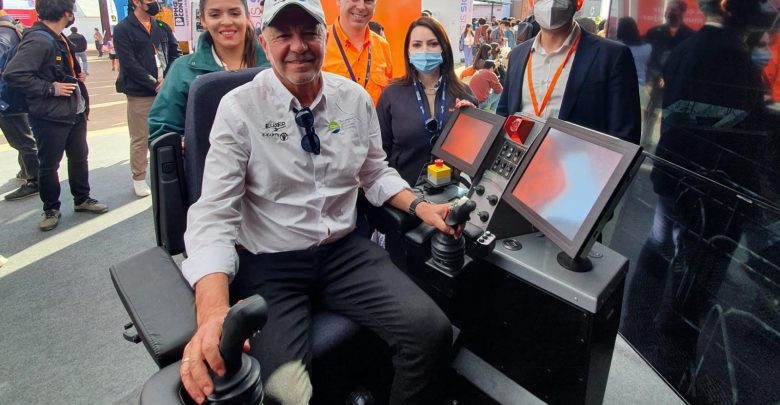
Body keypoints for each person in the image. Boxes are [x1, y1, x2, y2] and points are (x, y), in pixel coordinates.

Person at [178, 1, 454, 405]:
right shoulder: (239, 109)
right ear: (265, 43)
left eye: (308, 33)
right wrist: (212, 312)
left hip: (343, 252)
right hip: (271, 263)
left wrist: (420, 206)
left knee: (432, 333)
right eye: (283, 35)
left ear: (325, 36)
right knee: (284, 394)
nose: (298, 46)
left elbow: (375, 172)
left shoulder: (353, 99)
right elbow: (214, 214)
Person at [4, 0, 108, 231]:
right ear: (65, 12)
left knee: (79, 157)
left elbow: (56, 69)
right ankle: (51, 208)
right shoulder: (39, 40)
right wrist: (51, 88)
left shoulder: (57, 36)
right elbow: (14, 74)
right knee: (49, 164)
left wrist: (75, 75)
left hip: (73, 111)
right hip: (50, 115)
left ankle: (82, 198)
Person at [497, 0, 640, 144]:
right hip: (518, 155)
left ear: (579, 3)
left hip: (577, 156)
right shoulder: (518, 54)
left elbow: (625, 137)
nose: (551, 2)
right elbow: (504, 114)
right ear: (531, 3)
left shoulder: (612, 56)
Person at [148, 0, 270, 142]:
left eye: (235, 13)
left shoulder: (275, 65)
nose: (226, 22)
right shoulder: (182, 70)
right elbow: (162, 129)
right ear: (203, 20)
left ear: (247, 17)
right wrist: (181, 144)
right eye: (215, 15)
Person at [377, 16, 476, 185]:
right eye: (417, 45)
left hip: (451, 192)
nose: (424, 51)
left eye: (433, 44)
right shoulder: (391, 94)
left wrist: (473, 123)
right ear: (408, 51)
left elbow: (476, 154)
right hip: (402, 191)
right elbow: (379, 154)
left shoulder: (463, 93)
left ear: (443, 48)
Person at [113, 0, 180, 197]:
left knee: (167, 133)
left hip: (165, 90)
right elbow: (128, 63)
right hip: (140, 92)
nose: (155, 2)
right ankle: (139, 177)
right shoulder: (123, 29)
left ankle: (167, 171)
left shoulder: (162, 26)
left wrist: (168, 79)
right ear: (136, 2)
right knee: (140, 137)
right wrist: (153, 83)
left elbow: (175, 53)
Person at [0, 2, 39, 201]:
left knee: (23, 139)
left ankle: (35, 180)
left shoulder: (4, 32)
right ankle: (27, 171)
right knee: (22, 136)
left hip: (8, 97)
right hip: (12, 95)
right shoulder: (10, 27)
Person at [643, 0, 695, 141]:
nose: (669, 12)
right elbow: (649, 58)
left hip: (677, 81)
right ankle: (645, 140)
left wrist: (670, 77)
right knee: (651, 111)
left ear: (682, 13)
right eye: (668, 9)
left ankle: (668, 141)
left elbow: (688, 62)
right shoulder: (654, 32)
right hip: (655, 79)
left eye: (674, 9)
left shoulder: (690, 36)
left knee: (673, 114)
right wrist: (654, 77)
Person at [324, 0, 392, 105]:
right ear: (338, 1)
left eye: (368, 1)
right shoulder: (320, 42)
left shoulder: (383, 46)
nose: (361, 7)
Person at [616, 16, 652, 140]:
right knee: (639, 123)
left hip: (621, 88)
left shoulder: (616, 47)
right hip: (641, 88)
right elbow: (651, 68)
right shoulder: (647, 48)